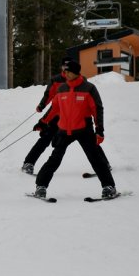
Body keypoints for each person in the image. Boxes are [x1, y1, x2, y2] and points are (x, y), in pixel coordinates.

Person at [34, 60, 117, 199]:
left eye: (68, 71)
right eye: (64, 71)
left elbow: (97, 110)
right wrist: (42, 122)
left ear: (75, 72)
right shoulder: (62, 89)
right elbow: (54, 109)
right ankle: (41, 187)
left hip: (84, 129)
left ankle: (109, 187)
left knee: (95, 158)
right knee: (54, 160)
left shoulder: (89, 88)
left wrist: (99, 130)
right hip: (64, 130)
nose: (64, 73)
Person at [22, 57, 111, 175]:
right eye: (64, 67)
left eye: (68, 67)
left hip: (76, 118)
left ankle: (104, 164)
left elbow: (93, 103)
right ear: (62, 67)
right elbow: (49, 95)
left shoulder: (82, 81)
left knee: (91, 143)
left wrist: (99, 127)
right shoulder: (56, 80)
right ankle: (29, 163)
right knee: (45, 138)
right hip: (57, 116)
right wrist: (42, 106)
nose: (66, 70)